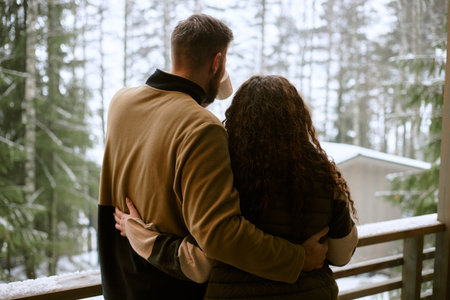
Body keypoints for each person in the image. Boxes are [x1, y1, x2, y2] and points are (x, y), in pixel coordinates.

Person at [98, 14, 329, 300]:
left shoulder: (120, 102)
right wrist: (298, 259)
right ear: (217, 62)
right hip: (169, 287)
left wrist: (212, 79)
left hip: (120, 281)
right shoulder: (202, 127)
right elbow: (220, 234)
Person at [114, 75, 359, 299]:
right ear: (299, 120)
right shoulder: (323, 175)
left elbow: (199, 265)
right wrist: (302, 255)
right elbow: (341, 254)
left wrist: (139, 233)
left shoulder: (222, 174)